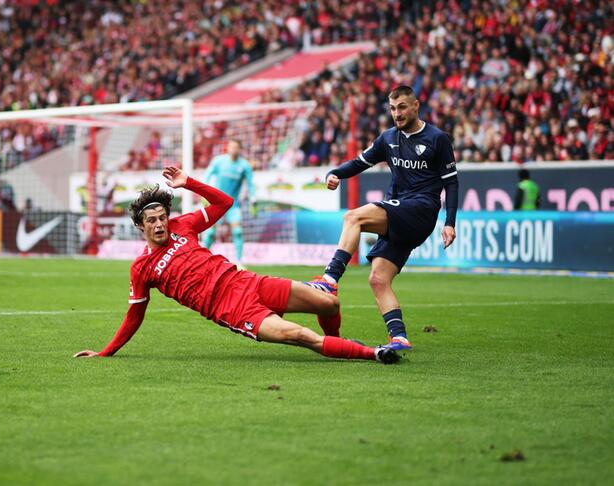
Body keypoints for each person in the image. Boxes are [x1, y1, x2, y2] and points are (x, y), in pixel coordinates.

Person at [74, 166, 400, 364]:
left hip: (248, 282)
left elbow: (224, 203)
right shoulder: (142, 268)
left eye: (162, 217)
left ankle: (341, 342)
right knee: (302, 337)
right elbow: (135, 315)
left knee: (329, 303)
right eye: (152, 221)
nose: (160, 224)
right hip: (233, 310)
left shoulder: (183, 226)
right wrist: (105, 352)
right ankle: (373, 353)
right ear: (141, 227)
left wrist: (188, 182)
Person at [312, 85, 458, 352]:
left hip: (420, 209)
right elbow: (359, 163)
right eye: (392, 109)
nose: (397, 114)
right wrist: (334, 173)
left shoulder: (437, 139)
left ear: (416, 105)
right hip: (402, 214)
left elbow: (452, 183)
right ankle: (399, 338)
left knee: (353, 217)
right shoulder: (388, 138)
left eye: (402, 107)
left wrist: (449, 222)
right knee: (378, 279)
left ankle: (329, 280)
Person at [201, 139, 255, 267]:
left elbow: (251, 184)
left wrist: (253, 199)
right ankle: (203, 259)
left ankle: (239, 261)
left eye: (236, 147)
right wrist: (204, 194)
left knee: (237, 231)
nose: (233, 149)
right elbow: (207, 175)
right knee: (210, 233)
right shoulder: (219, 161)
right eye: (231, 147)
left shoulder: (245, 166)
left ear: (240, 149)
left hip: (233, 204)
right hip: (216, 203)